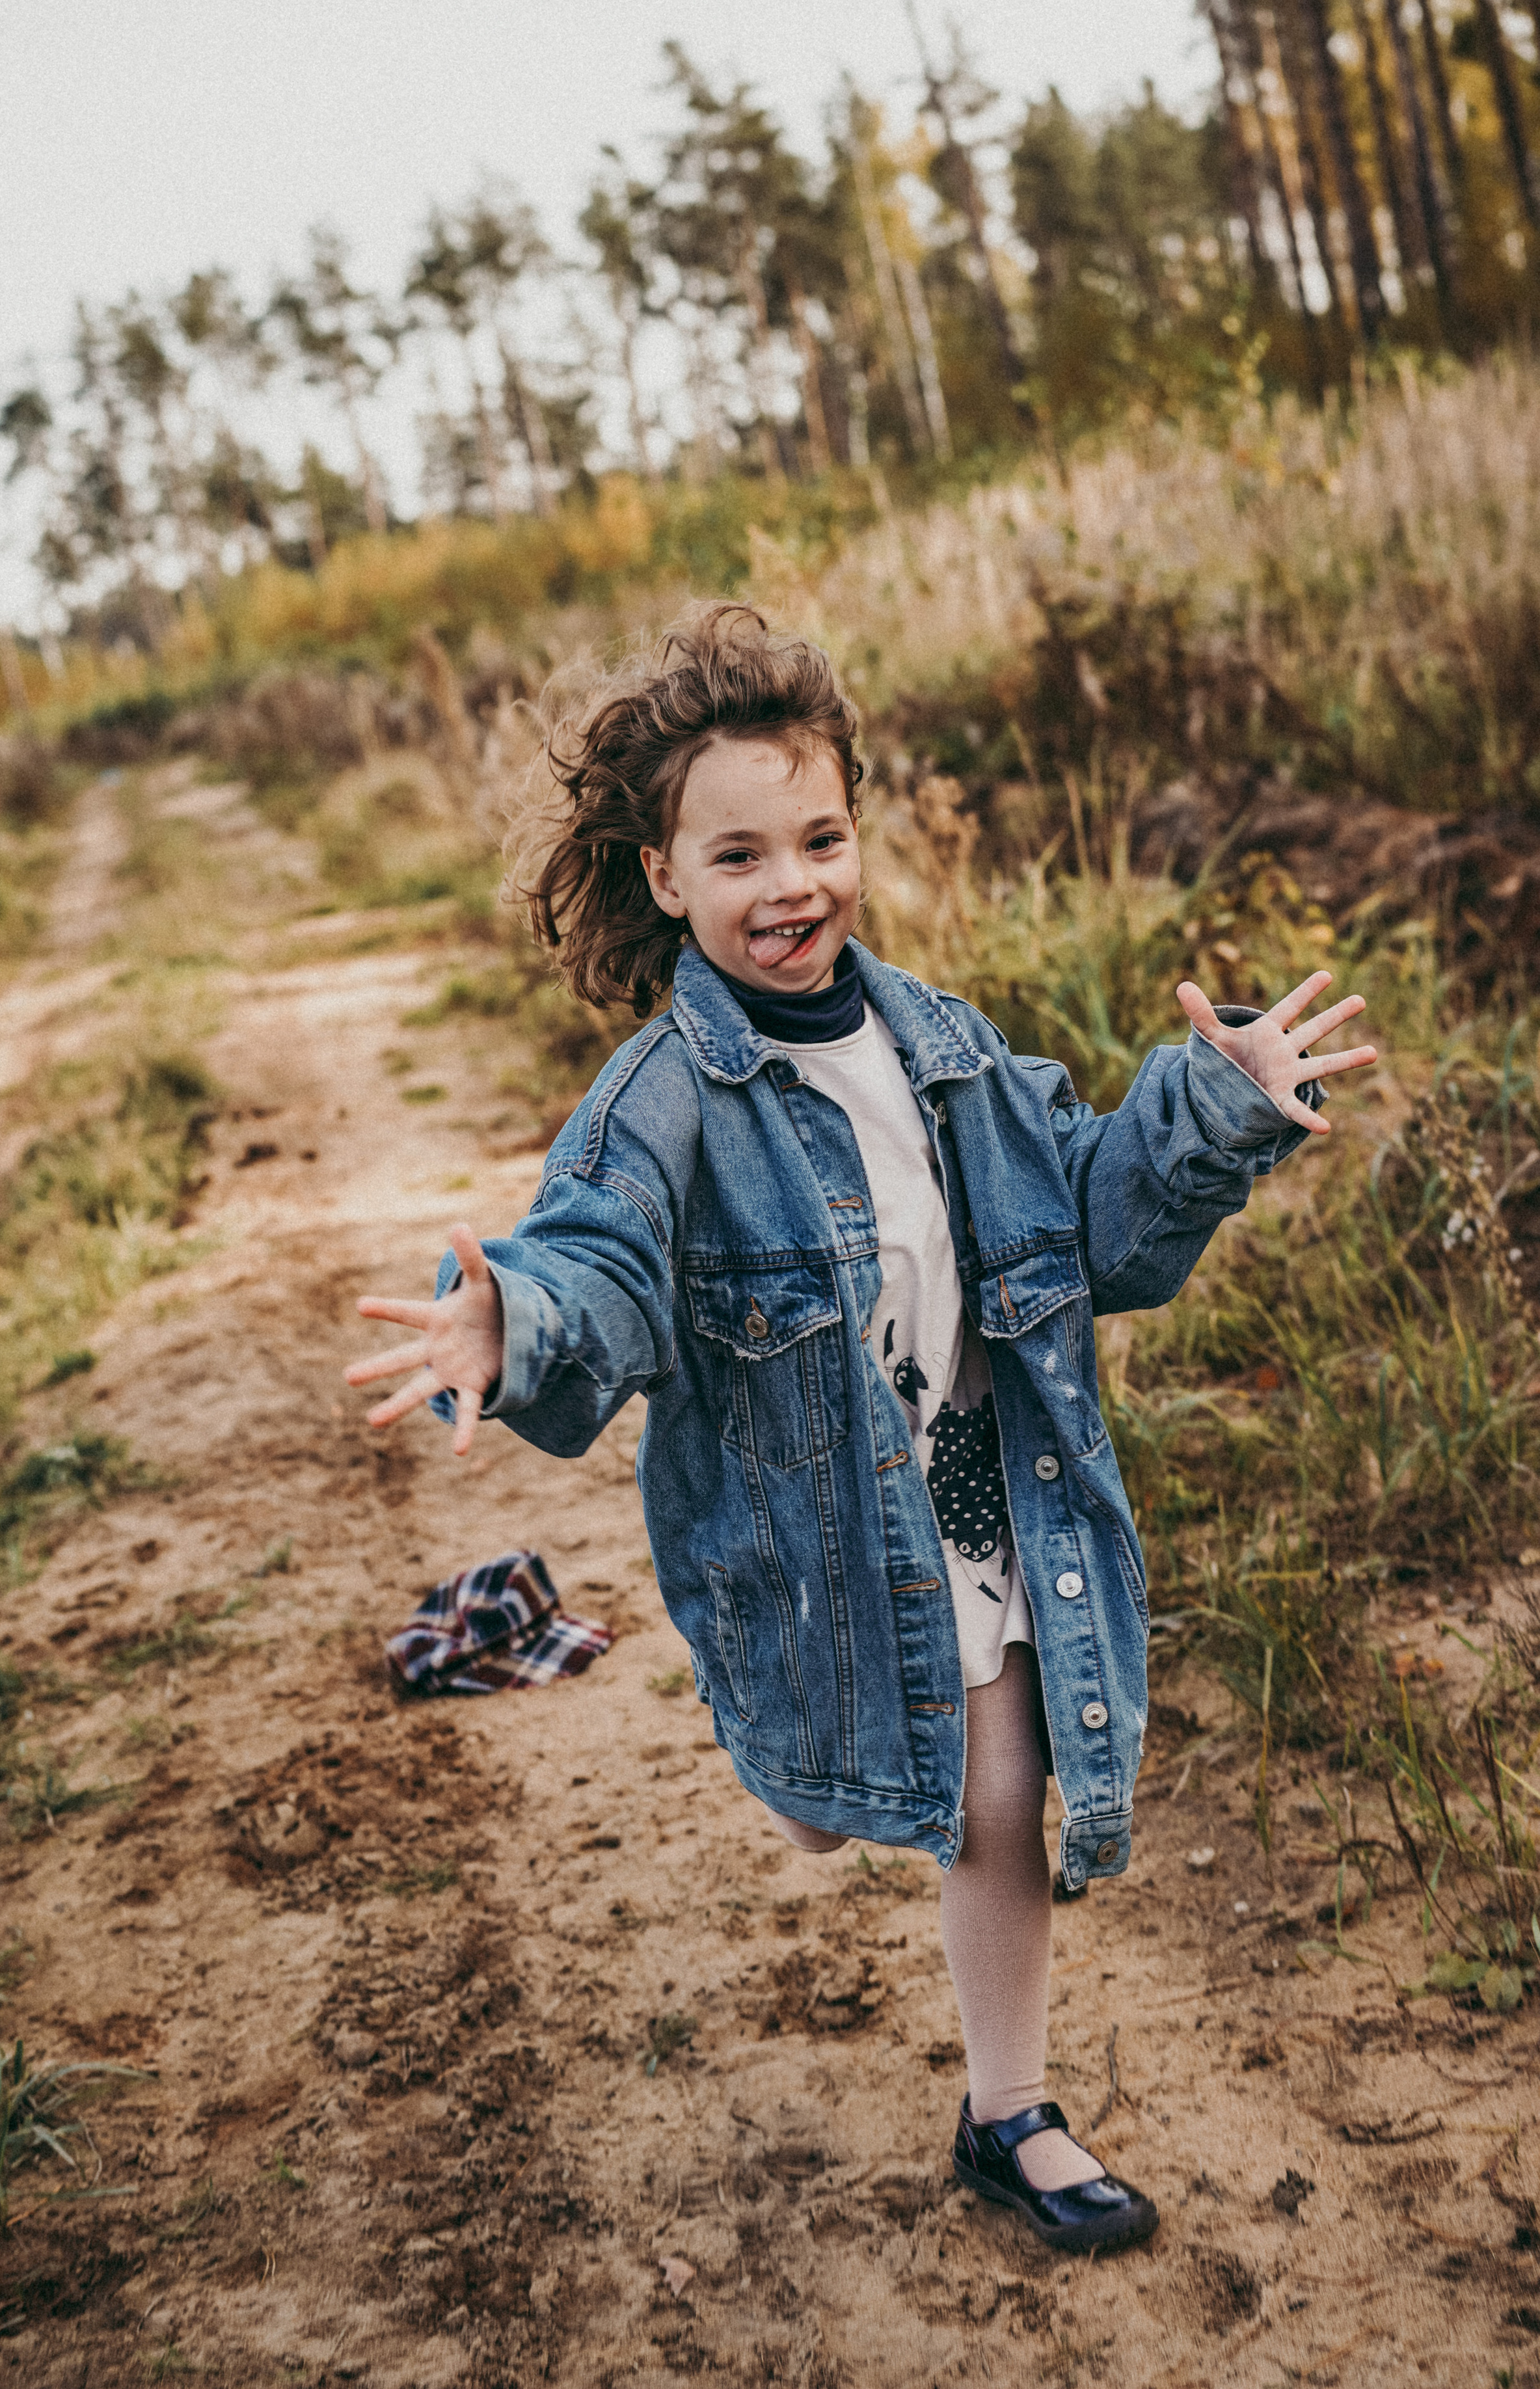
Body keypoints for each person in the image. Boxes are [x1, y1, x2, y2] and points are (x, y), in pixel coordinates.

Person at [344, 604, 1377, 2254]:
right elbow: (599, 1260)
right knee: (833, 1800)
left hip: (979, 1491)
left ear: (855, 835)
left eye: (819, 838)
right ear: (663, 876)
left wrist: (1212, 1107)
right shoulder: (660, 1101)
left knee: (995, 1787)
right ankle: (807, 1753)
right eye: (738, 854)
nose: (791, 884)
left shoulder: (945, 1049)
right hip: (808, 1545)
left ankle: (1009, 2110)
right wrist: (510, 1318)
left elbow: (1091, 1222)